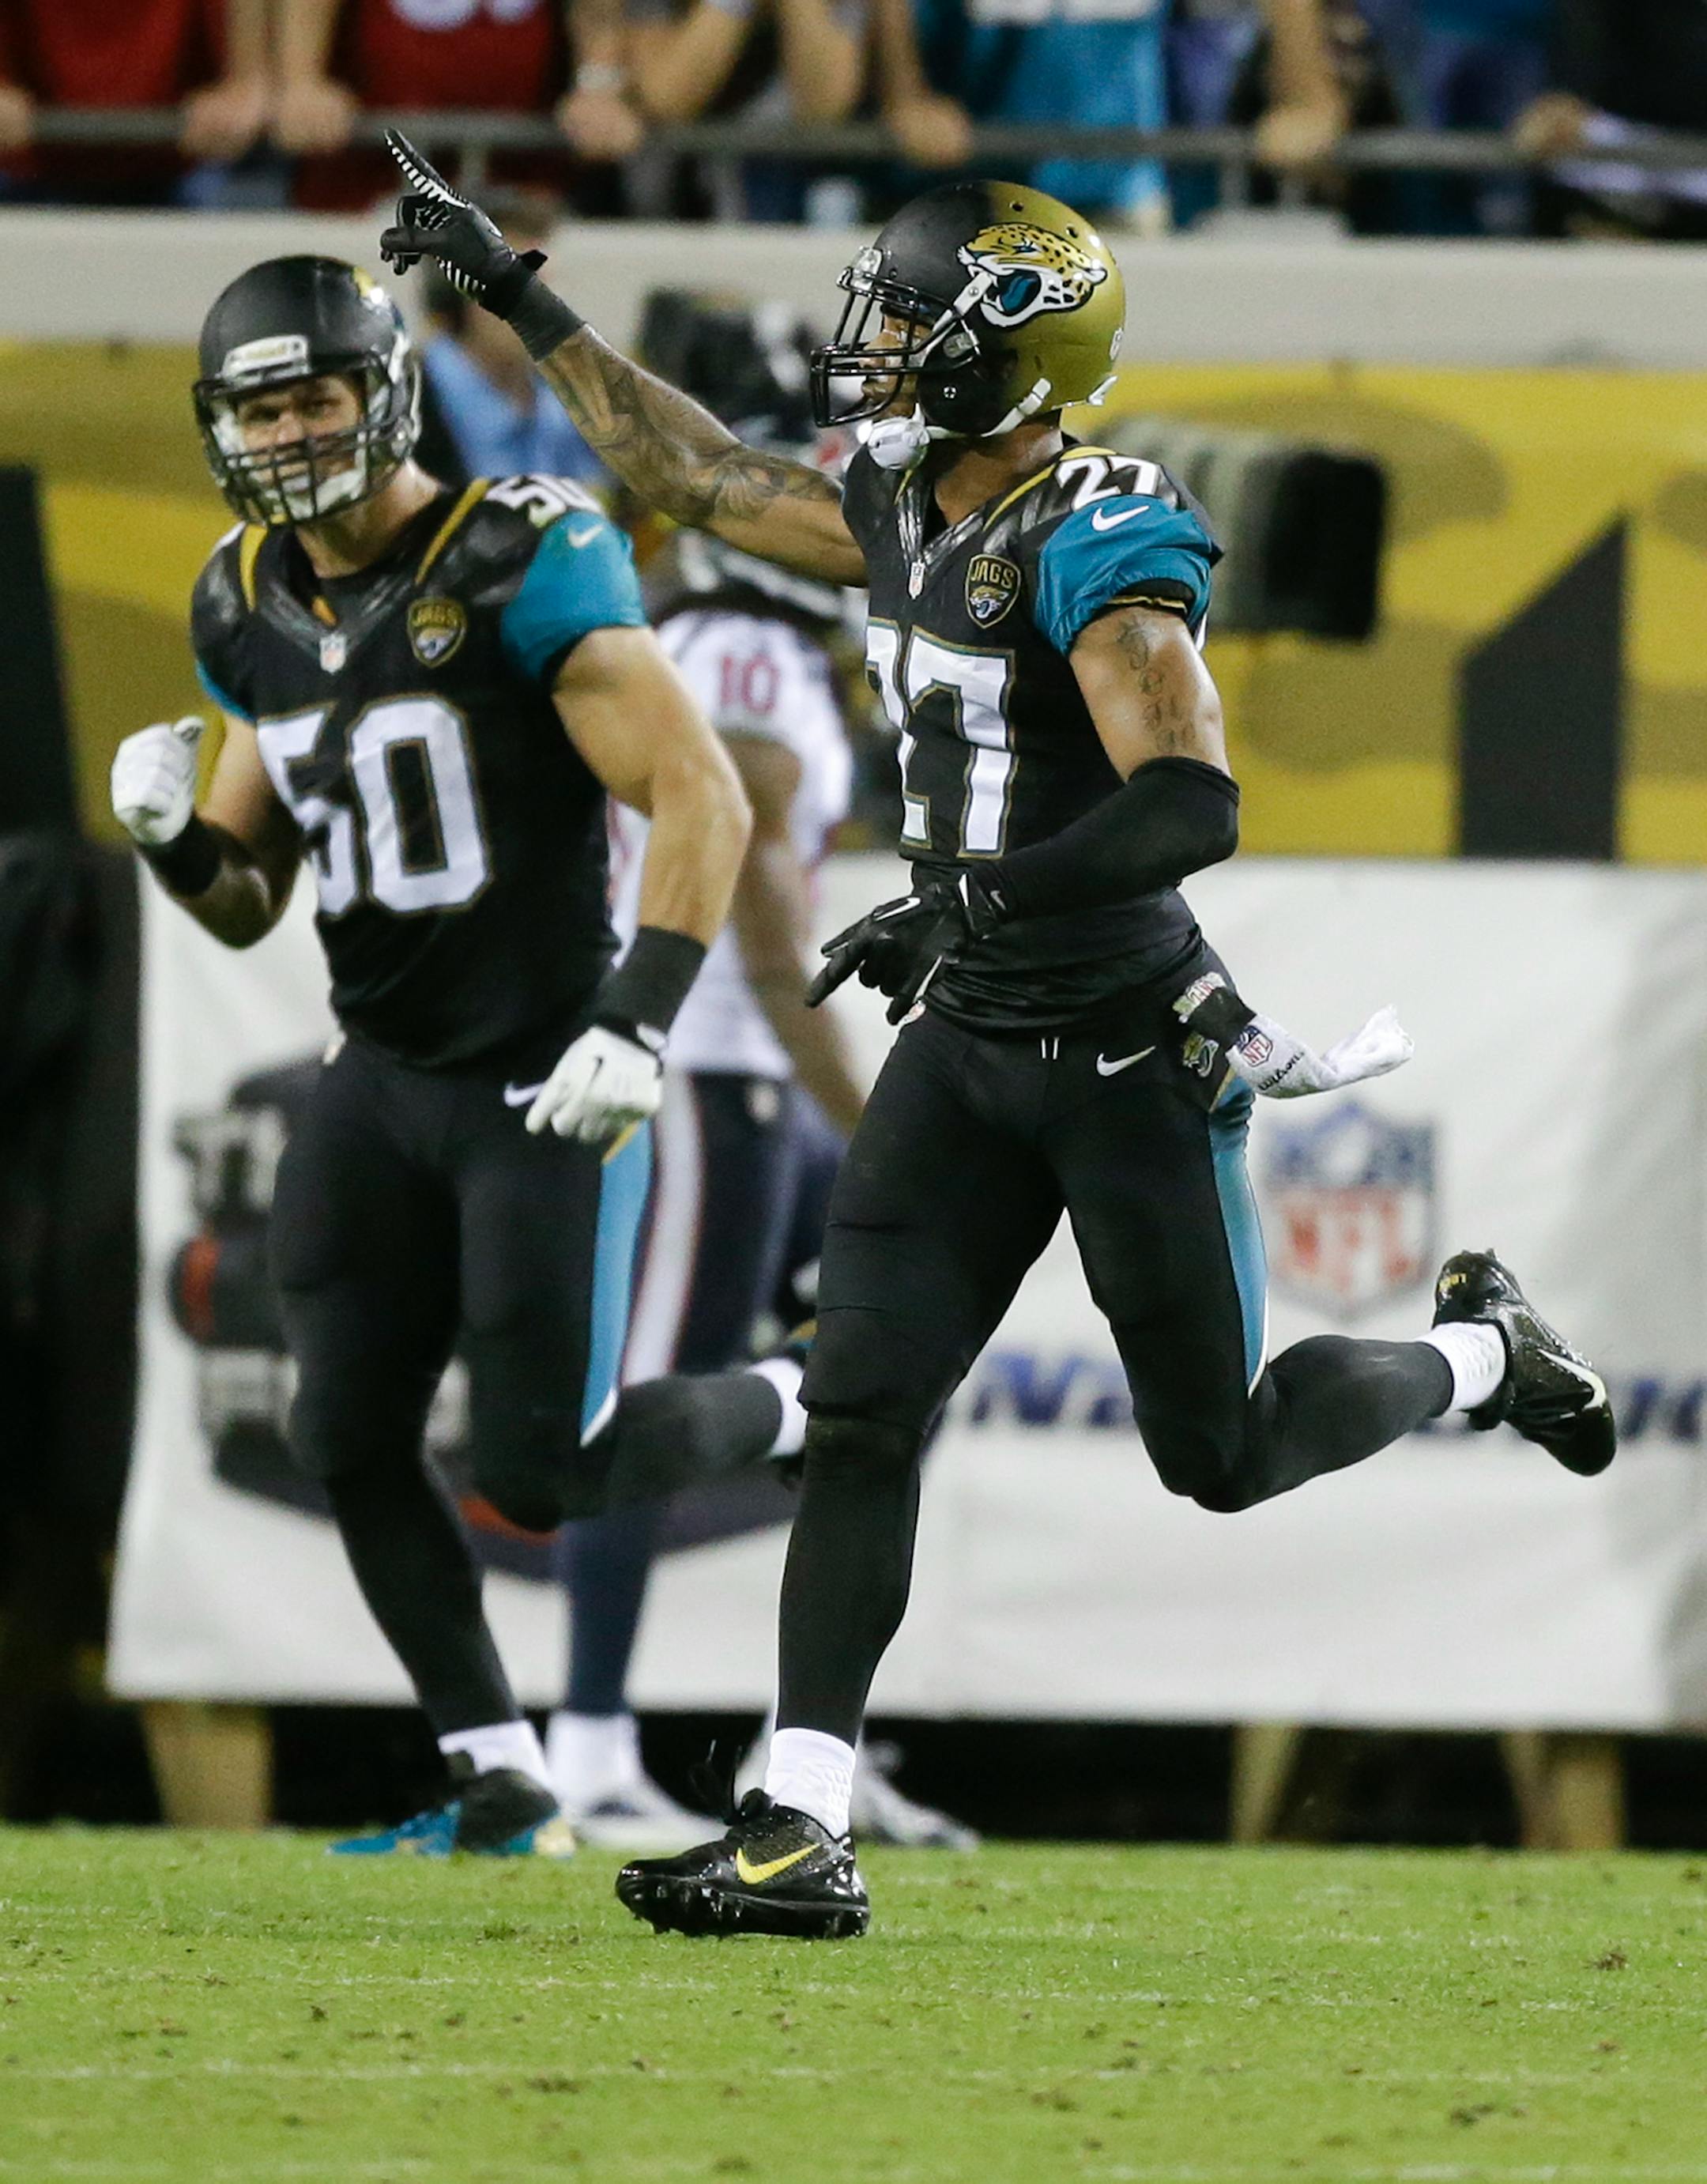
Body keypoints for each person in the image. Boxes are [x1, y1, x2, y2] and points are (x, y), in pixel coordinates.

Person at [379, 145, 1618, 1933]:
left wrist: (974, 900)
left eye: (906, 316)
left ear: (1001, 352)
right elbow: (694, 469)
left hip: (1123, 1046)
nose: (869, 343)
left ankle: (1489, 1356)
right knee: (866, 1409)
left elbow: (1190, 801)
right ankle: (799, 1823)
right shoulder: (905, 502)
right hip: (969, 1033)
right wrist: (518, 291)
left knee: (1227, 1451)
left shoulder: (1104, 527)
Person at [108, 255, 811, 1858]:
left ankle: (817, 1391)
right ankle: (500, 1770)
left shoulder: (518, 549)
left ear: (387, 392)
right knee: (342, 1433)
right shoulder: (242, 594)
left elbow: (704, 793)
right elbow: (248, 891)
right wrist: (167, 843)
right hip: (384, 1068)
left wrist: (638, 1015)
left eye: (315, 397)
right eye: (257, 407)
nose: (287, 434)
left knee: (542, 1472)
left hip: (544, 1072)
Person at [543, 289, 975, 1852]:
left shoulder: (738, 643)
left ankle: (818, 1742)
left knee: (869, 1406)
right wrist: (877, 1123)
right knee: (653, 1404)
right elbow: (775, 934)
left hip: (749, 1095)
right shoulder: (732, 653)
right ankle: (584, 1737)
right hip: (717, 1079)